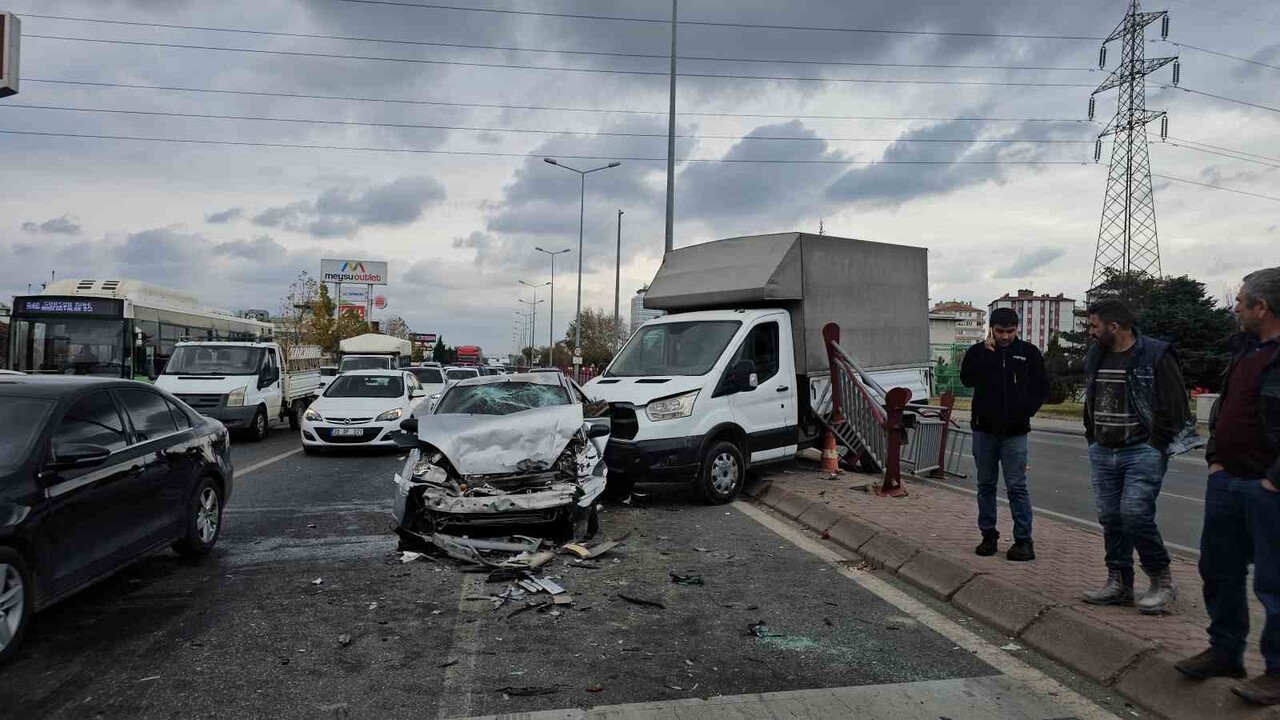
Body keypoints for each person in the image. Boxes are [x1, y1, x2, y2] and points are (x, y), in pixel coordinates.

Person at [1174, 267, 1280, 705]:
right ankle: (1225, 652)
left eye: (1241, 301)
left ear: (1262, 307)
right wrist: (1215, 458)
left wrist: (1275, 480)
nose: (1234, 306)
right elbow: (1227, 409)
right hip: (1228, 481)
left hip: (1268, 489)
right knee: (1219, 572)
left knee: (1275, 584)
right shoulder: (1245, 349)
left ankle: (1277, 672)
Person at [1081, 298, 1201, 614]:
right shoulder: (1098, 353)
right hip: (1103, 450)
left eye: (1094, 326)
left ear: (1114, 326)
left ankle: (1162, 580)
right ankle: (1119, 582)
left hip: (1141, 451)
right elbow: (1091, 396)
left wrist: (1155, 444)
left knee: (1134, 514)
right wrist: (1092, 437)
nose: (1091, 332)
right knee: (1110, 517)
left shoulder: (1156, 354)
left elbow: (1175, 405)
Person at [960, 307, 1048, 561]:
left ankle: (1023, 540)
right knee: (985, 485)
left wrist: (1026, 411)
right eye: (1000, 332)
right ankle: (988, 535)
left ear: (1017, 329)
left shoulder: (1028, 353)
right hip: (984, 430)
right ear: (992, 329)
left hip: (1015, 433)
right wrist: (987, 356)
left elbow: (1041, 387)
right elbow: (967, 380)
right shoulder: (977, 352)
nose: (1006, 337)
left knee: (1017, 487)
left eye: (1010, 331)